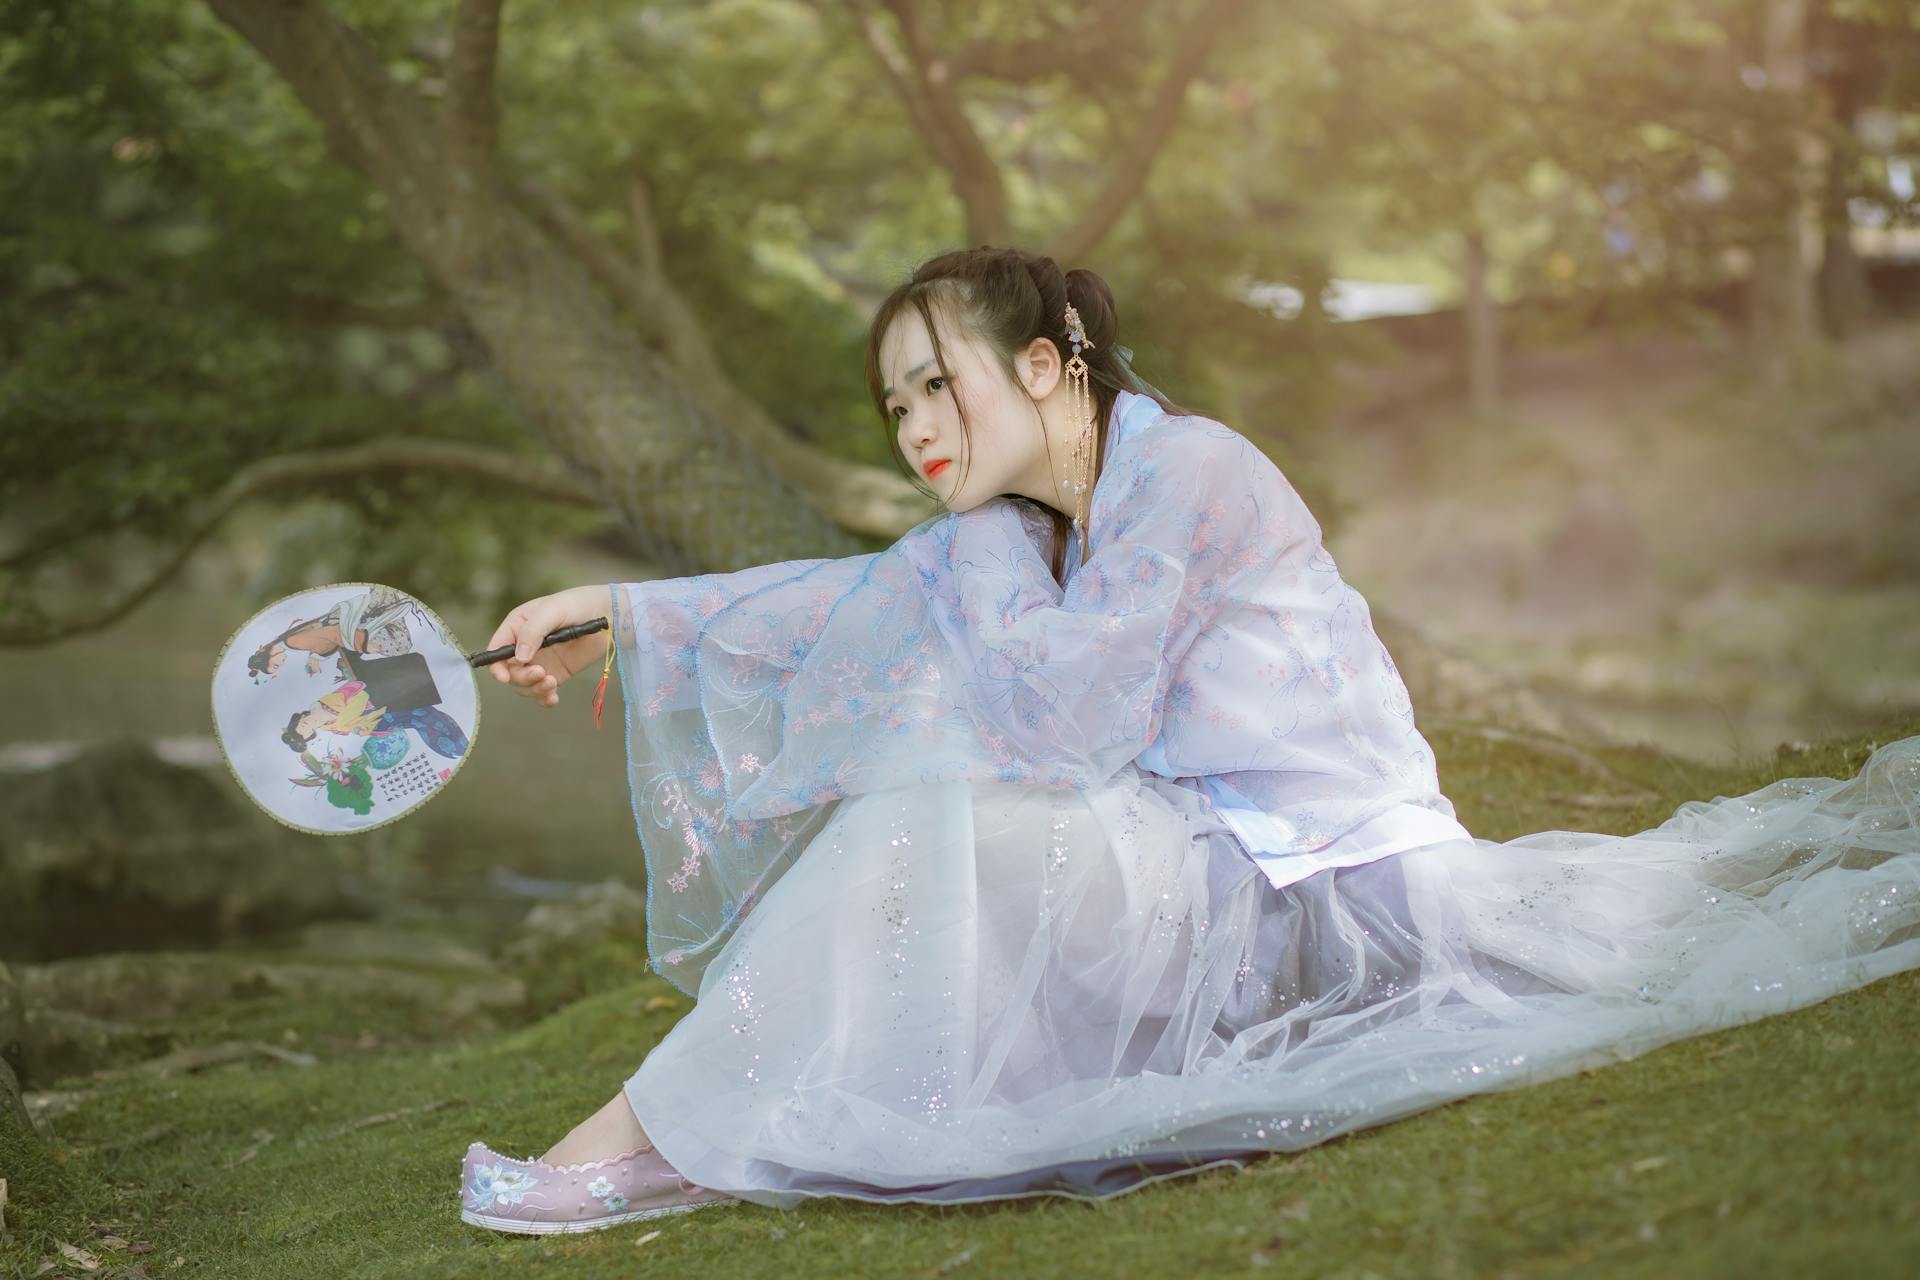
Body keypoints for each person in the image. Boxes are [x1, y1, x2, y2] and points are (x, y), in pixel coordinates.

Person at [457, 247, 1920, 1234]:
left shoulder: (1189, 472)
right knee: (934, 806)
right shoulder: (1023, 531)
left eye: (936, 381)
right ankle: (673, 1137)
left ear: (1045, 368)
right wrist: (615, 611)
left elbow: (1068, 725)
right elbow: (836, 600)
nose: (913, 424)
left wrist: (969, 565)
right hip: (1194, 882)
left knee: (947, 804)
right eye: (893, 399)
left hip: (1331, 898)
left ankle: (654, 1146)